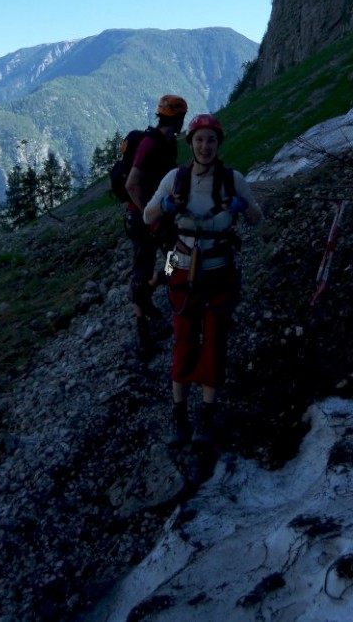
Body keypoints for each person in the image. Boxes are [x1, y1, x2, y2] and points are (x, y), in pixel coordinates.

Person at [144, 113, 263, 448]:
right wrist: (165, 205)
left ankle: (204, 416)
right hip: (181, 264)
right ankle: (181, 415)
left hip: (216, 268)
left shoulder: (233, 180)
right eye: (199, 140)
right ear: (191, 144)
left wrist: (243, 207)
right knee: (183, 339)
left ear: (217, 143)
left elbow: (257, 219)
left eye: (211, 140)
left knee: (213, 341)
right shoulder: (174, 179)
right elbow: (147, 215)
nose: (205, 146)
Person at [125, 94, 188, 361]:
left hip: (160, 215)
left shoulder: (167, 142)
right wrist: (147, 216)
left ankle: (152, 286)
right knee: (143, 267)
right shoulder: (150, 144)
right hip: (143, 218)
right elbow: (131, 185)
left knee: (173, 257)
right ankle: (142, 333)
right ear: (179, 118)